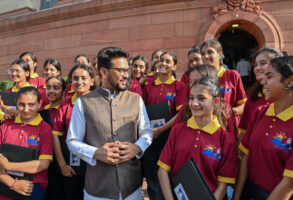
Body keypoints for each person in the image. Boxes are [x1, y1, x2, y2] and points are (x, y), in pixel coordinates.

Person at [66, 47, 153, 200]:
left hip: (132, 189)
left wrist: (137, 148)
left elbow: (147, 132)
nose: (126, 75)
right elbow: (72, 141)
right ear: (104, 72)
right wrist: (96, 153)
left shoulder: (136, 99)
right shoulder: (83, 102)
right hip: (97, 190)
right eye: (120, 70)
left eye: (127, 70)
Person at [158, 77, 237, 200]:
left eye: (201, 98)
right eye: (191, 98)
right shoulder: (178, 130)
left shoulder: (226, 139)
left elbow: (223, 185)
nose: (194, 103)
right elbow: (162, 169)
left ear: (215, 101)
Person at [233, 56, 293, 200]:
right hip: (250, 193)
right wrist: (236, 197)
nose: (263, 81)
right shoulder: (260, 113)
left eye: (269, 76)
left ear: (291, 81)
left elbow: (290, 183)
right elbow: (246, 157)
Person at [143, 51, 187, 200]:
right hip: (151, 137)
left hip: (169, 137)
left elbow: (180, 115)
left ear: (174, 66)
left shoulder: (179, 86)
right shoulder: (148, 86)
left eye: (168, 61)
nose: (163, 63)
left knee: (167, 175)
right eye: (162, 60)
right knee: (152, 177)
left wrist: (161, 130)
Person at [0, 86, 53, 200]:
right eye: (22, 104)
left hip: (32, 184)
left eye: (31, 104)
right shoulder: (5, 125)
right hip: (3, 179)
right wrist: (12, 183)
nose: (26, 109)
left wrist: (9, 165)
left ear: (40, 104)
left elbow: (43, 164)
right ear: (16, 103)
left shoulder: (45, 129)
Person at [51, 64, 94, 200]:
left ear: (92, 80)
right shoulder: (65, 104)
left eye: (84, 78)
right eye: (75, 78)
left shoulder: (100, 102)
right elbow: (56, 136)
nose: (79, 82)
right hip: (72, 166)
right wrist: (62, 165)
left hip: (96, 165)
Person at [238, 48, 283, 135]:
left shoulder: (288, 97)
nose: (257, 68)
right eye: (255, 65)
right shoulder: (252, 97)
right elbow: (245, 133)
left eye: (263, 63)